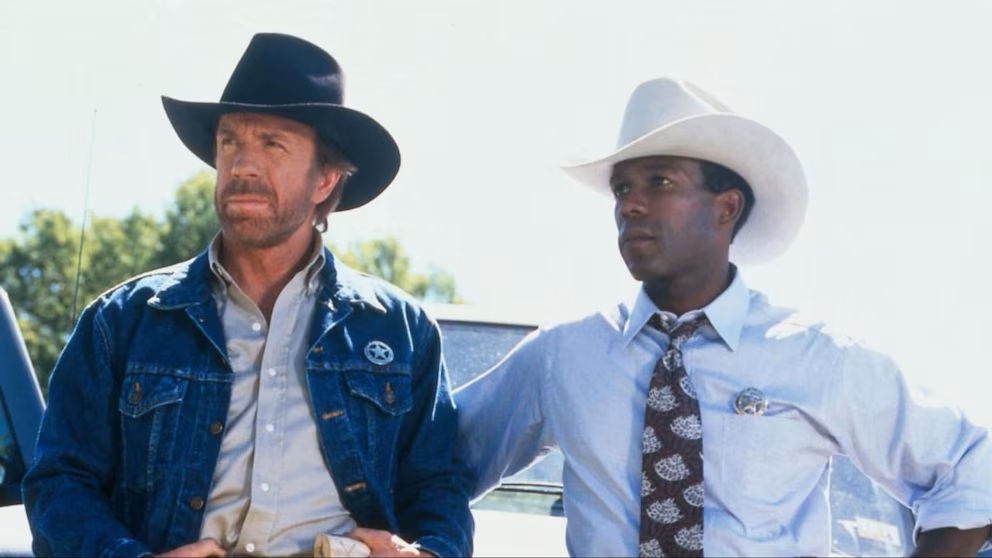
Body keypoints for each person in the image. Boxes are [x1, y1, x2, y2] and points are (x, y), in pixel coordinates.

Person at [455, 77, 992, 557]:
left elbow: (975, 467)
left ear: (726, 207)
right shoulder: (563, 357)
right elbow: (434, 459)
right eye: (621, 189)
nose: (630, 205)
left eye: (659, 181)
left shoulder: (816, 357)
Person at [23, 33, 472, 558]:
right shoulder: (120, 321)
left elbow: (440, 487)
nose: (242, 166)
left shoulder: (399, 330)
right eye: (230, 142)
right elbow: (59, 483)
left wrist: (430, 553)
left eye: (273, 144)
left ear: (326, 179)